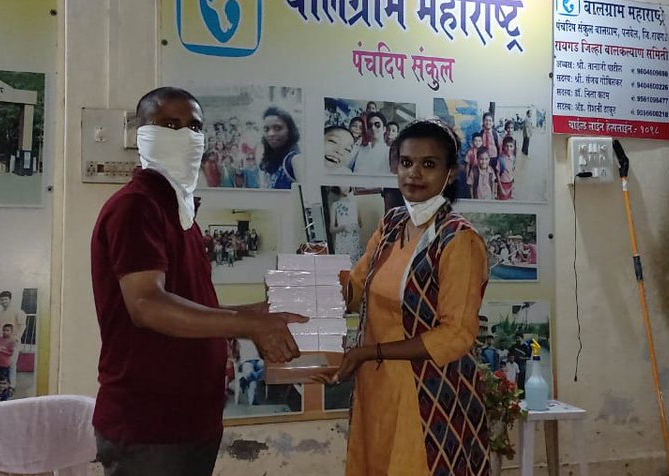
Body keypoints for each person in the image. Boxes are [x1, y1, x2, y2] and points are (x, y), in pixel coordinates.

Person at [91, 87, 306, 476]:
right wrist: (248, 325)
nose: (185, 136)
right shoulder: (136, 206)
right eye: (170, 125)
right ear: (141, 134)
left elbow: (189, 305)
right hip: (150, 425)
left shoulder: (180, 212)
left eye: (194, 127)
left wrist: (256, 313)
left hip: (191, 420)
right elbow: (147, 306)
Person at [322, 119, 491, 475]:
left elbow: (456, 335)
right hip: (377, 388)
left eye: (429, 164)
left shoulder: (458, 239)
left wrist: (371, 352)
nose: (414, 173)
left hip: (431, 395)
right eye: (406, 162)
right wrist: (311, 274)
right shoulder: (392, 224)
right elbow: (355, 293)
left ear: (450, 172)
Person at [259, 107, 300, 189]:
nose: (271, 134)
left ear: (290, 130)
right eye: (266, 129)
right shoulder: (271, 158)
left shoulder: (294, 160)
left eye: (277, 128)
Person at [0, 291, 26, 383]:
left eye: (6, 299)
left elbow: (22, 325)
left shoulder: (18, 311)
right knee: (3, 364)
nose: (4, 301)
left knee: (12, 364)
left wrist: (17, 337)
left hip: (13, 342)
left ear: (10, 300)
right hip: (3, 342)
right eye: (2, 300)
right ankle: (3, 384)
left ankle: (12, 385)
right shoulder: (0, 314)